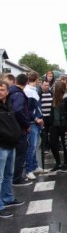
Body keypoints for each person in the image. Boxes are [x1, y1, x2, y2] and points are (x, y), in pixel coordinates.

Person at [0, 81, 25, 218]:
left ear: (7, 91)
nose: (0, 92)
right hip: (2, 146)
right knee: (0, 177)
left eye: (2, 89)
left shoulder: (8, 104)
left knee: (9, 174)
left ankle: (8, 198)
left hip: (11, 145)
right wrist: (10, 135)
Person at [8, 74, 32, 186]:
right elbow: (18, 110)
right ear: (27, 82)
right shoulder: (19, 94)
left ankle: (11, 177)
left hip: (10, 128)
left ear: (16, 80)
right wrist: (26, 124)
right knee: (20, 154)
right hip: (19, 129)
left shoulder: (10, 92)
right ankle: (17, 179)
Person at [48, 81, 67, 173]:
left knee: (65, 144)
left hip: (64, 125)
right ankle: (58, 163)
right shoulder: (54, 98)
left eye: (55, 87)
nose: (53, 89)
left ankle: (65, 164)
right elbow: (52, 112)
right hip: (55, 125)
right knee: (52, 144)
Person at [23, 71, 44, 180]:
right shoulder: (28, 91)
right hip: (33, 122)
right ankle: (29, 170)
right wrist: (36, 118)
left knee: (35, 146)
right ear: (36, 79)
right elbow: (29, 109)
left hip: (36, 121)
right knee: (31, 146)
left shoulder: (33, 90)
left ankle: (34, 166)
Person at [39, 80, 53, 153]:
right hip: (43, 117)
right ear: (42, 85)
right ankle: (45, 146)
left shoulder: (51, 94)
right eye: (45, 85)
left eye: (47, 85)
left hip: (50, 116)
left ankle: (50, 145)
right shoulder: (39, 94)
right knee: (44, 133)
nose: (46, 87)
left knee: (50, 132)